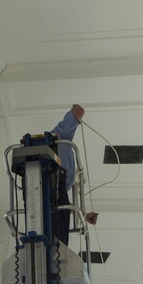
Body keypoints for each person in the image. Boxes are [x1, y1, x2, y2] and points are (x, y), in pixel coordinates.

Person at [49, 105, 97, 245]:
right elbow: (79, 111)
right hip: (55, 182)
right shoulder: (60, 134)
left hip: (57, 186)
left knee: (58, 221)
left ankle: (57, 254)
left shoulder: (61, 135)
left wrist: (84, 216)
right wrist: (74, 108)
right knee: (59, 231)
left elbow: (66, 205)